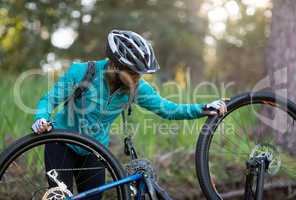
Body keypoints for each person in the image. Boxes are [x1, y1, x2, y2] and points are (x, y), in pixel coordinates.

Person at [32, 30, 227, 199]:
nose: (137, 79)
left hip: (95, 150)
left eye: (140, 74)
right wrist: (41, 118)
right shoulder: (82, 72)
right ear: (115, 66)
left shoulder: (136, 87)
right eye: (133, 73)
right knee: (60, 196)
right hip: (61, 144)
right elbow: (49, 100)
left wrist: (203, 108)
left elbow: (168, 109)